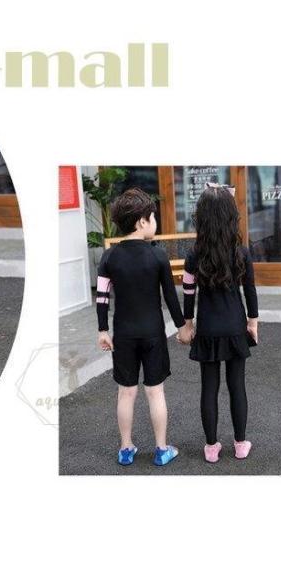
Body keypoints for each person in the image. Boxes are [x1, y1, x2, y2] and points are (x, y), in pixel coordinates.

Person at [97, 188, 191, 466]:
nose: (155, 223)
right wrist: (183, 327)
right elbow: (170, 297)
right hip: (153, 333)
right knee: (155, 391)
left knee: (126, 392)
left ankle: (126, 449)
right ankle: (161, 449)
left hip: (123, 334)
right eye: (153, 217)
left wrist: (102, 330)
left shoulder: (109, 257)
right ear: (141, 221)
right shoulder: (157, 255)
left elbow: (102, 298)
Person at [179, 182, 258, 463]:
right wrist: (253, 323)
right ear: (230, 216)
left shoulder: (194, 255)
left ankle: (211, 448)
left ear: (201, 218)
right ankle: (240, 444)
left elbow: (188, 294)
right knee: (237, 386)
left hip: (208, 329)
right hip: (235, 327)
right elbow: (250, 291)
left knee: (208, 388)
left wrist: (188, 325)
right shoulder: (242, 252)